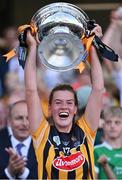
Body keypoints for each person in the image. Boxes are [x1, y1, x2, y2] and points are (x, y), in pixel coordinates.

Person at [24, 24, 104, 179]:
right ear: (50, 108)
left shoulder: (86, 130)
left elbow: (98, 89)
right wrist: (32, 47)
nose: (64, 107)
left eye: (69, 103)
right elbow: (30, 91)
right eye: (58, 102)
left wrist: (92, 47)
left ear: (75, 109)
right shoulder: (42, 133)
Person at [0, 100, 38, 179]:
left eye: (29, 118)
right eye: (19, 118)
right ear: (9, 121)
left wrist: (24, 173)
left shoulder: (45, 146)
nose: (25, 123)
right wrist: (9, 172)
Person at [94, 106, 122, 179]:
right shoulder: (96, 151)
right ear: (103, 125)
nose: (112, 126)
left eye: (117, 122)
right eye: (108, 122)